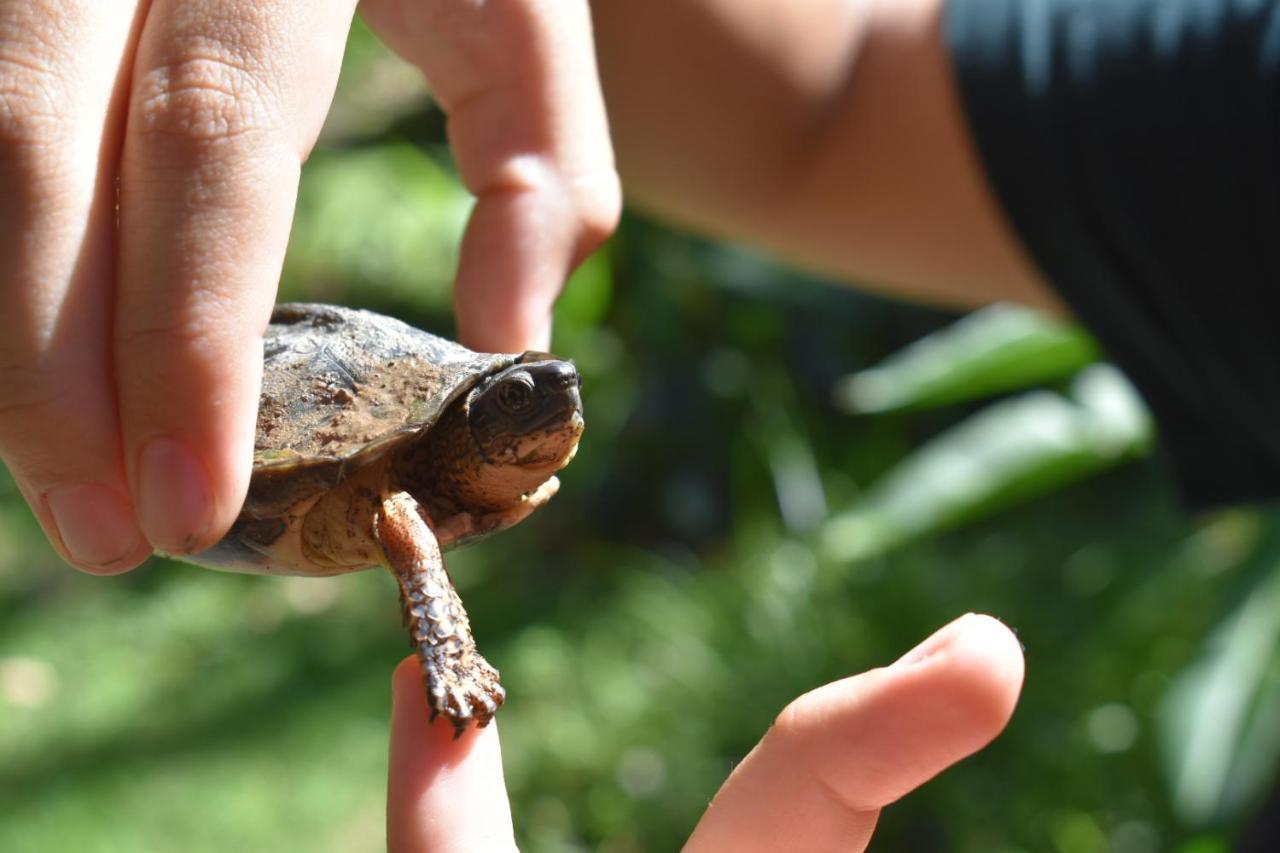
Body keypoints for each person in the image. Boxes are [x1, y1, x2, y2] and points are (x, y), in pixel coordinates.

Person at [3, 0, 1271, 847]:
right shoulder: (1218, 122)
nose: (549, 409)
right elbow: (810, 103)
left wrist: (449, 643)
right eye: (518, 398)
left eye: (554, 400)